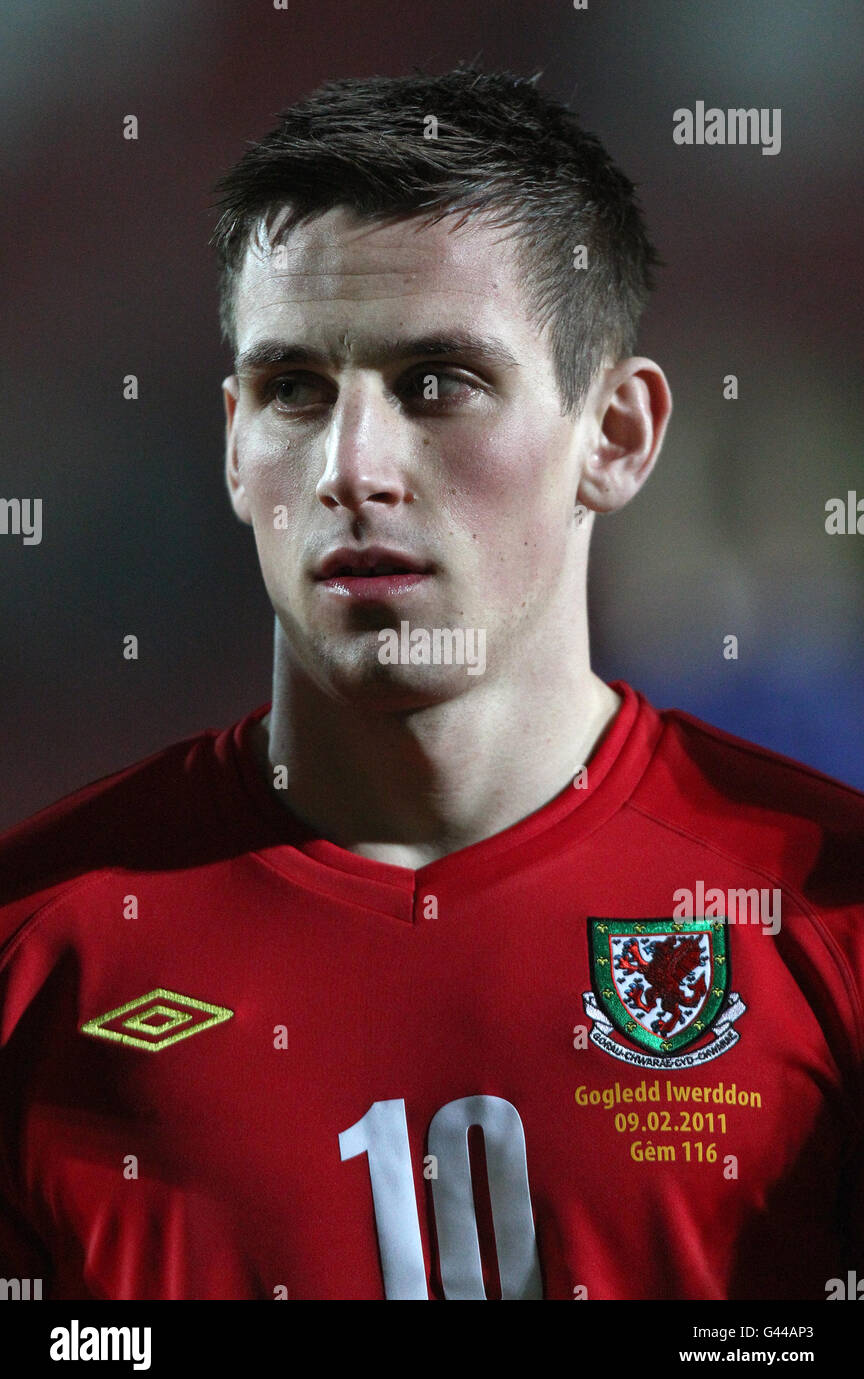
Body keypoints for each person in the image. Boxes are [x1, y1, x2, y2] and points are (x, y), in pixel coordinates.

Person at [0, 66, 861, 1302]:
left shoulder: (828, 931)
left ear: (615, 436)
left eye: (438, 383)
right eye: (296, 390)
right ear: (235, 445)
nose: (355, 466)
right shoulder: (37, 953)